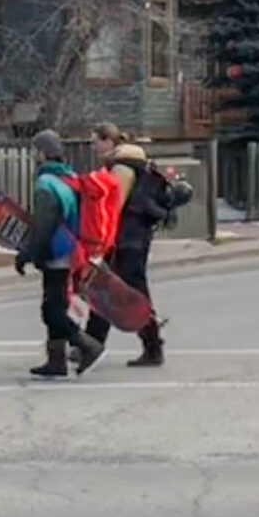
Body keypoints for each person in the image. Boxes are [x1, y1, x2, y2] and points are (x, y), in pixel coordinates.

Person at [16, 130, 103, 380]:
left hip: (56, 252)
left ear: (42, 153)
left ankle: (88, 346)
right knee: (56, 305)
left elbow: (44, 225)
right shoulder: (69, 177)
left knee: (51, 310)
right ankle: (56, 360)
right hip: (72, 248)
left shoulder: (46, 184)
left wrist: (29, 253)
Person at [85, 121, 165, 367]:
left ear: (109, 141)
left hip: (126, 239)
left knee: (126, 291)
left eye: (95, 141)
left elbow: (113, 206)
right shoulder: (135, 163)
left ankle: (151, 345)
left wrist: (101, 236)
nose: (93, 146)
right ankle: (91, 344)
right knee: (107, 288)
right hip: (134, 236)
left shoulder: (123, 168)